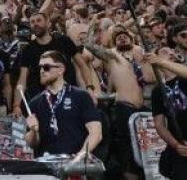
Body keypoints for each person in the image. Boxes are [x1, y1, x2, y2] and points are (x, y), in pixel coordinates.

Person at [83, 24, 153, 180]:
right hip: (124, 108)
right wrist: (92, 27)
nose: (122, 37)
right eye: (118, 37)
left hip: (142, 109)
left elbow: (152, 78)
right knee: (128, 151)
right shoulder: (112, 55)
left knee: (146, 151)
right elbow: (88, 45)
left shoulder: (141, 56)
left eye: (125, 35)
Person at [14, 6, 96, 117]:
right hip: (43, 102)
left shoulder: (64, 41)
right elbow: (22, 80)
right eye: (32, 22)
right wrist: (16, 105)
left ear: (48, 23)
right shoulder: (28, 50)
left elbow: (82, 64)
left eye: (39, 20)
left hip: (69, 97)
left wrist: (90, 88)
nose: (35, 24)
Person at [25, 50, 102, 160]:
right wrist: (33, 131)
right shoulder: (34, 103)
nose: (42, 71)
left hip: (74, 163)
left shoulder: (81, 96)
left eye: (46, 67)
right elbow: (32, 144)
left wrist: (80, 156)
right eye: (40, 68)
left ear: (61, 69)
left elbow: (96, 133)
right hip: (46, 164)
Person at [145, 47, 187, 178]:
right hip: (181, 146)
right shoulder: (157, 91)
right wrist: (176, 145)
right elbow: (159, 124)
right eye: (164, 52)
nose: (171, 52)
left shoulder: (183, 77)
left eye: (172, 51)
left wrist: (161, 61)